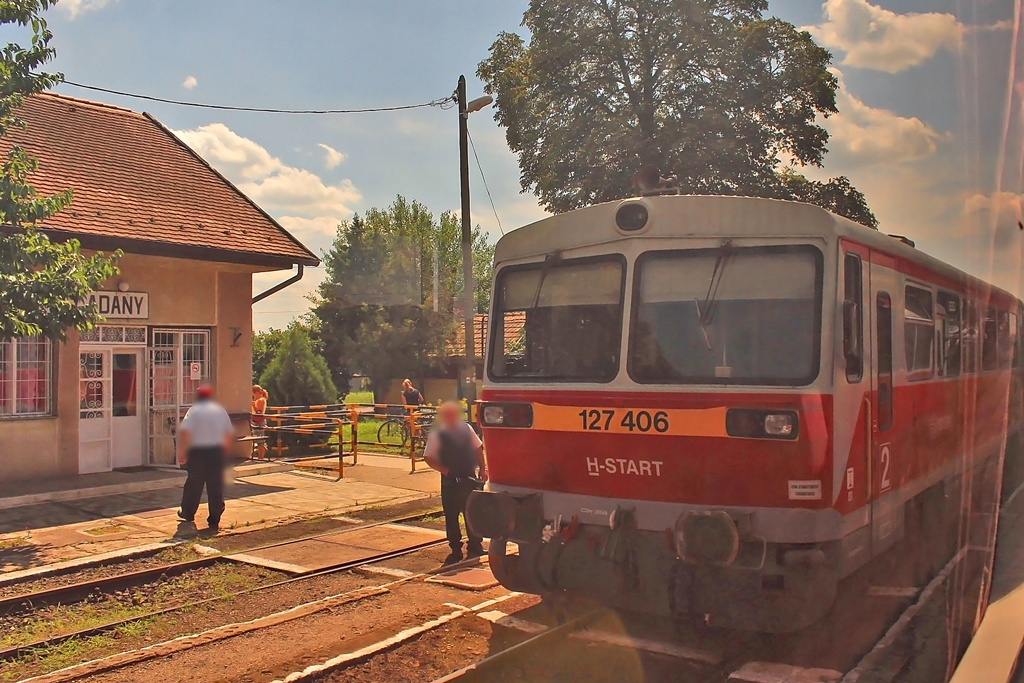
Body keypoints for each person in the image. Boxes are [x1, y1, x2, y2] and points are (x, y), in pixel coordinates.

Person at [423, 401, 486, 565]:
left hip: (469, 476)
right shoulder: (438, 433)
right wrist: (446, 471)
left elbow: (478, 448)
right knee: (451, 515)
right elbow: (428, 457)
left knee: (472, 512)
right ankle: (455, 549)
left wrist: (483, 468)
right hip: (451, 479)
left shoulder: (466, 429)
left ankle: (475, 545)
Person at [177, 385, 235, 532]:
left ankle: (188, 513)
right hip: (216, 452)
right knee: (215, 485)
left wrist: (182, 450)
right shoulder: (219, 410)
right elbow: (227, 433)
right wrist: (225, 451)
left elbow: (186, 432)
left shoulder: (194, 410)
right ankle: (214, 519)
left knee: (194, 484)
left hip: (198, 452)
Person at [251, 384, 269, 459]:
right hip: (257, 421)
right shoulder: (261, 400)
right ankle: (260, 456)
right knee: (258, 439)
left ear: (255, 392)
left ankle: (261, 457)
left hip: (258, 421)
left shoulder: (260, 400)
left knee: (260, 440)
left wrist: (253, 405)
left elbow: (259, 412)